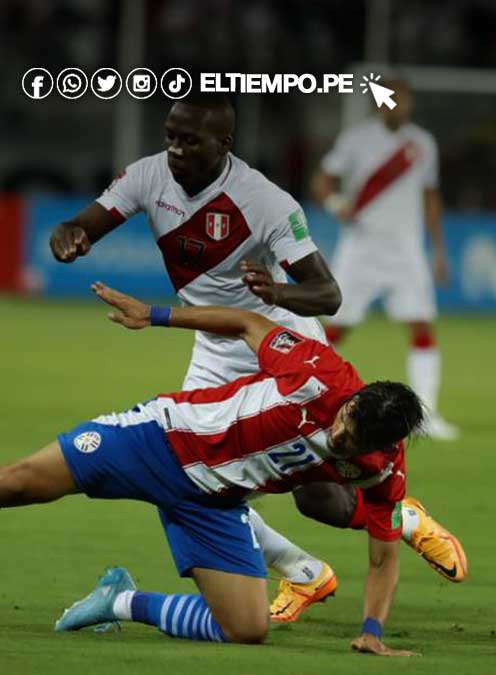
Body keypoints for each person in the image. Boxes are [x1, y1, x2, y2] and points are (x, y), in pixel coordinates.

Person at [0, 283, 423, 655]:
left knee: (247, 630)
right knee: (16, 481)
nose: (337, 432)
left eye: (349, 438)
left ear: (380, 444)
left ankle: (119, 601)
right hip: (157, 440)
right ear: (354, 399)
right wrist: (153, 316)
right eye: (343, 419)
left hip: (212, 501)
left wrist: (371, 628)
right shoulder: (321, 375)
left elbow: (383, 551)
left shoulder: (378, 467)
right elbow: (245, 322)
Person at [49, 93, 466, 623]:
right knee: (186, 477)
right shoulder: (147, 176)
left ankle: (400, 519)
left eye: (188, 139)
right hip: (214, 347)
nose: (175, 148)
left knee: (317, 500)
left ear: (224, 144)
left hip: (282, 348)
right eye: (170, 136)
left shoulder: (265, 200)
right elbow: (85, 221)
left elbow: (327, 294)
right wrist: (71, 234)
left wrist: (275, 293)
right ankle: (304, 572)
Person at [312, 77, 459, 441]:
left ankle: (427, 415)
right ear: (378, 103)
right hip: (361, 247)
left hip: (406, 249)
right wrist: (336, 205)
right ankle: (311, 398)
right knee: (336, 327)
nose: (397, 105)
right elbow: (322, 181)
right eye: (390, 98)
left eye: (403, 99)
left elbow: (430, 196)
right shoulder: (356, 139)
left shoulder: (422, 143)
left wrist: (438, 251)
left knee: (422, 325)